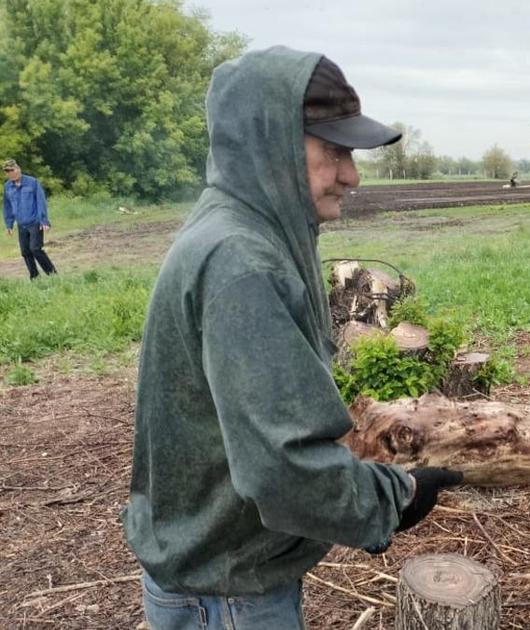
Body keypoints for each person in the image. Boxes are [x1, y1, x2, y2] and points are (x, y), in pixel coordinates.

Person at [122, 47, 462, 630]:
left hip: (215, 577)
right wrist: (393, 497)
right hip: (225, 598)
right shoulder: (242, 263)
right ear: (268, 144)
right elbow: (283, 469)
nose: (352, 174)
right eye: (334, 150)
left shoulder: (242, 229)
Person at [3, 159, 57, 279]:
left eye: (12, 170)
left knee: (35, 249)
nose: (10, 173)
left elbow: (41, 201)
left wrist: (44, 220)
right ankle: (35, 277)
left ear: (18, 169)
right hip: (21, 224)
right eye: (7, 171)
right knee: (25, 252)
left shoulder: (32, 182)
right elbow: (7, 206)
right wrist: (9, 224)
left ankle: (52, 274)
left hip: (35, 222)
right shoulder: (7, 186)